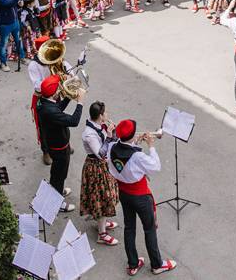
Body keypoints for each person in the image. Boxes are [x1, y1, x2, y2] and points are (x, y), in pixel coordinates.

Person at [104, 120, 177, 276]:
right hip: (140, 196)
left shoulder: (112, 147)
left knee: (129, 228)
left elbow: (123, 150)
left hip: (124, 193)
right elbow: (155, 166)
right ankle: (157, 265)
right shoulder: (137, 156)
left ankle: (133, 264)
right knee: (149, 229)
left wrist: (134, 141)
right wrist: (151, 145)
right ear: (130, 137)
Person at [36, 74, 85, 211]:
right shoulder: (50, 110)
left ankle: (58, 190)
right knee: (59, 174)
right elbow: (74, 121)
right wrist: (80, 102)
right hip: (59, 149)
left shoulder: (45, 102)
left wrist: (69, 96)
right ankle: (58, 204)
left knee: (59, 174)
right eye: (58, 89)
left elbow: (58, 108)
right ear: (53, 94)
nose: (60, 90)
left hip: (58, 145)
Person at [80, 101, 120, 246]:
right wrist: (109, 136)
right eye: (106, 112)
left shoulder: (98, 125)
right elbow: (101, 154)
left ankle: (102, 224)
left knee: (107, 198)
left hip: (103, 167)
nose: (108, 114)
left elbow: (111, 143)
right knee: (102, 200)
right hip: (96, 169)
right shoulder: (89, 134)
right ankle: (102, 234)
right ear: (100, 116)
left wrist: (113, 133)